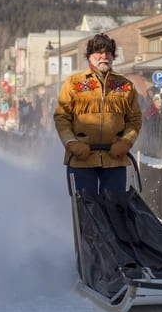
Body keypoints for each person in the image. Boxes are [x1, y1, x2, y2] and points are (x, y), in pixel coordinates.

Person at [54, 33, 142, 195]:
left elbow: (134, 120)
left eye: (108, 53)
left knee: (116, 208)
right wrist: (72, 143)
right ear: (89, 56)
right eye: (98, 53)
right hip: (82, 159)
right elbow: (62, 117)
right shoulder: (74, 83)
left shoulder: (125, 85)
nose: (104, 57)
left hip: (115, 159)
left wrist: (126, 142)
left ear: (113, 56)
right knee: (87, 209)